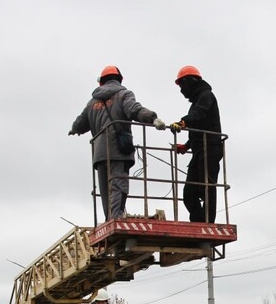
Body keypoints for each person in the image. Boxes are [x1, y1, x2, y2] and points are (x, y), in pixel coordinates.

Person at [70, 66, 166, 220]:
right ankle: (115, 220)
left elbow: (80, 124)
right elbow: (134, 110)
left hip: (100, 154)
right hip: (118, 150)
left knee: (105, 190)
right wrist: (152, 118)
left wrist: (74, 129)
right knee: (118, 185)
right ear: (119, 79)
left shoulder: (92, 103)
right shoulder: (123, 95)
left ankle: (110, 219)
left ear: (101, 82)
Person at [169, 65, 223, 224]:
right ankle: (199, 222)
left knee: (207, 188)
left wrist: (183, 122)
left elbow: (199, 114)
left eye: (182, 85)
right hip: (200, 150)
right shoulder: (198, 100)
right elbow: (199, 128)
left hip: (211, 150)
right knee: (189, 193)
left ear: (190, 82)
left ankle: (207, 224)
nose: (181, 90)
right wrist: (186, 146)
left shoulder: (206, 96)